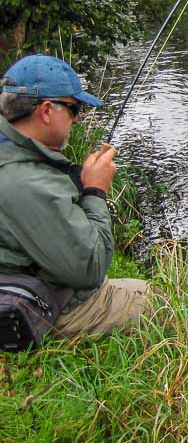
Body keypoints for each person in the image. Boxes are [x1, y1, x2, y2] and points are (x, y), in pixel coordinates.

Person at [0, 55, 149, 341]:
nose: (77, 118)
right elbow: (90, 268)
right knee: (157, 302)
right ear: (46, 111)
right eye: (73, 108)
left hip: (14, 274)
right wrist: (95, 190)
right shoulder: (26, 184)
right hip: (34, 301)